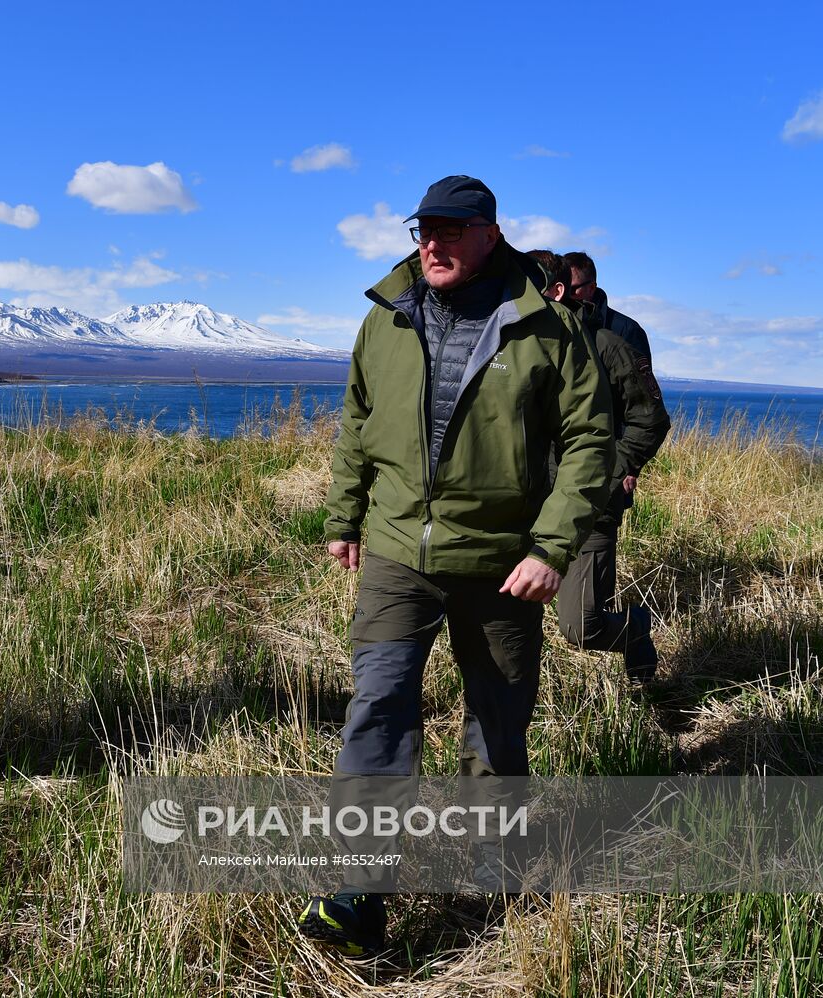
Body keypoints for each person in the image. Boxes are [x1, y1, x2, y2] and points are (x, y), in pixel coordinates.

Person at [298, 176, 612, 957]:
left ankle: (492, 866)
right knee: (379, 705)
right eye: (422, 231)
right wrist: (344, 516)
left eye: (449, 231)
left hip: (505, 561)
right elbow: (356, 420)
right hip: (399, 553)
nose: (431, 245)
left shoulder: (545, 329)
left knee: (498, 726)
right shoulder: (385, 318)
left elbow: (589, 442)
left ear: (488, 234)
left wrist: (551, 548)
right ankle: (356, 893)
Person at [527, 250, 671, 683]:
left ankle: (635, 631)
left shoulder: (614, 339)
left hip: (593, 495)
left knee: (580, 626)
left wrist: (619, 470)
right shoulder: (517, 344)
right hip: (531, 496)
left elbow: (648, 416)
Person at [563, 250, 653, 360]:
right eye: (559, 289)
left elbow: (639, 377)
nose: (564, 295)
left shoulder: (627, 331)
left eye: (571, 289)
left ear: (591, 288)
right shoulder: (553, 324)